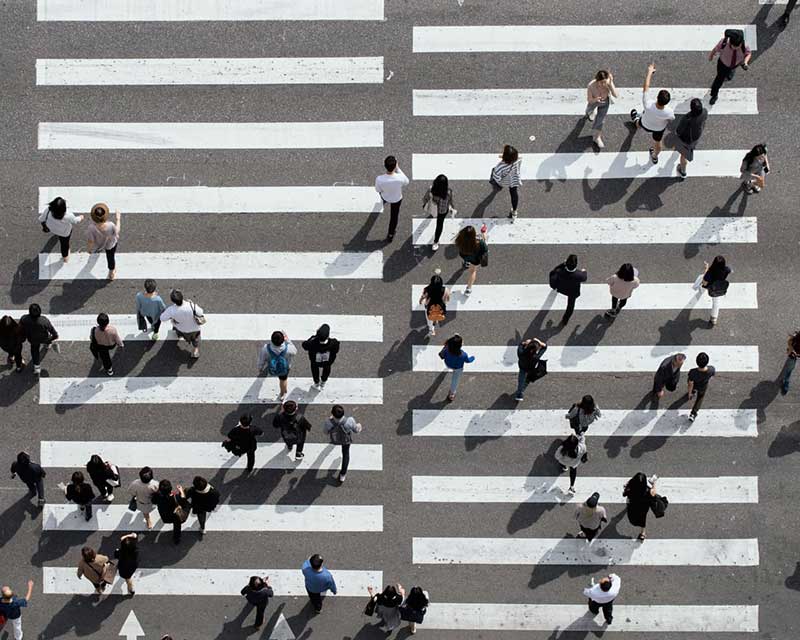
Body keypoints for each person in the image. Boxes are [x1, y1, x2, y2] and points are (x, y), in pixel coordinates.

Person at [629, 63, 675, 164]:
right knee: (658, 144)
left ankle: (635, 121)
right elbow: (671, 120)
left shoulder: (648, 104)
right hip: (658, 130)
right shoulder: (669, 112)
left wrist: (649, 72)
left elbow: (646, 87)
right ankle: (654, 156)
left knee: (639, 123)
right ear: (667, 102)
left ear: (657, 97)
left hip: (645, 123)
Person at [708, 30, 751, 105]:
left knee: (729, 76)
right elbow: (715, 49)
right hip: (723, 64)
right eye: (733, 46)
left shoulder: (744, 46)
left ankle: (727, 76)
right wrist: (711, 56)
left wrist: (745, 62)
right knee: (719, 80)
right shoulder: (724, 43)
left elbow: (748, 53)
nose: (735, 48)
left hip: (735, 64)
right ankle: (714, 94)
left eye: (737, 46)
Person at [323, 405, 362, 484]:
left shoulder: (328, 422)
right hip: (345, 441)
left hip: (335, 439)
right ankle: (342, 475)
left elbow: (325, 432)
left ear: (332, 414)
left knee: (344, 452)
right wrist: (359, 426)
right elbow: (356, 430)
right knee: (346, 454)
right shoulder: (349, 421)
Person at [38, 196, 84, 262]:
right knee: (64, 245)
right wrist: (81, 217)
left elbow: (41, 219)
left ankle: (64, 254)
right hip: (64, 233)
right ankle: (65, 257)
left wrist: (44, 227)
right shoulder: (68, 215)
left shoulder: (48, 210)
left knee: (61, 239)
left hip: (53, 228)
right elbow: (75, 221)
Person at [159, 289, 203, 359]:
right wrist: (192, 303)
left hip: (181, 328)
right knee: (195, 338)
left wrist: (172, 318)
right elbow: (200, 312)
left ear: (173, 300)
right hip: (194, 328)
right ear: (182, 296)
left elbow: (162, 318)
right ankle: (195, 350)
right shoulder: (191, 305)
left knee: (178, 331)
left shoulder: (171, 310)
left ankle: (179, 336)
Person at [374, 155, 409, 242]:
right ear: (395, 165)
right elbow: (406, 182)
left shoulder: (379, 179)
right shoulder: (400, 177)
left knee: (383, 197)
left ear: (385, 165)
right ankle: (390, 234)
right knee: (394, 216)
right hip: (397, 199)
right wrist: (398, 169)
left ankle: (383, 202)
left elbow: (378, 190)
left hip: (385, 197)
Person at [19, 303, 59, 375]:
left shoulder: (24, 319)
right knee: (48, 339)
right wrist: (54, 336)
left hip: (32, 339)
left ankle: (37, 368)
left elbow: (20, 328)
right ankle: (47, 345)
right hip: (44, 338)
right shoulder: (44, 320)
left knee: (35, 352)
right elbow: (51, 330)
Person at [258, 330, 297, 401]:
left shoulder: (265, 348)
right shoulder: (289, 348)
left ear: (271, 340)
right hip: (285, 368)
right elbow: (295, 352)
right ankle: (283, 393)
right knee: (283, 380)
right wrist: (288, 340)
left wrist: (260, 368)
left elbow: (262, 359)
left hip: (273, 366)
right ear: (283, 340)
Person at [85, 203, 121, 280]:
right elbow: (117, 231)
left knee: (100, 248)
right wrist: (118, 219)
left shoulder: (91, 228)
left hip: (99, 244)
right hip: (110, 244)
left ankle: (100, 250)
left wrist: (89, 250)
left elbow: (90, 241)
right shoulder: (111, 225)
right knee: (110, 258)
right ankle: (111, 274)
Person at [549, 254, 587, 326]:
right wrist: (584, 271)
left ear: (566, 263)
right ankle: (565, 320)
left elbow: (553, 271)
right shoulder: (579, 275)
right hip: (573, 292)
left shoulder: (560, 271)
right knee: (570, 306)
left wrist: (562, 264)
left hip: (562, 289)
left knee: (570, 306)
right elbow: (584, 278)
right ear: (575, 265)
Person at [674, 98, 707, 179]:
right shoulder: (704, 112)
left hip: (686, 140)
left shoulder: (687, 119)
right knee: (688, 150)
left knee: (683, 156)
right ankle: (682, 170)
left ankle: (683, 172)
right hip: (696, 137)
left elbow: (678, 131)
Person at [693, 255, 731, 327]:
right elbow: (730, 271)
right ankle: (713, 318)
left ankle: (698, 289)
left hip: (710, 287)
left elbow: (704, 282)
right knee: (716, 303)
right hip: (719, 287)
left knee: (701, 278)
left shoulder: (710, 272)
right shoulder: (726, 269)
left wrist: (706, 268)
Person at [585, 70, 618, 150]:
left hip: (604, 103)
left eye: (605, 82)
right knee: (588, 112)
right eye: (601, 82)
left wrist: (610, 84)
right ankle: (590, 113)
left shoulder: (608, 83)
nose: (603, 84)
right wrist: (595, 99)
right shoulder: (591, 86)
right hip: (594, 102)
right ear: (597, 80)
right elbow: (589, 100)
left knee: (601, 120)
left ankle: (597, 138)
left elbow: (616, 95)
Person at [422, 174, 456, 250]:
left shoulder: (431, 190)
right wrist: (452, 208)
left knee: (434, 214)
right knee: (439, 225)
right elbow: (450, 202)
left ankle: (432, 215)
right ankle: (436, 241)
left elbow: (425, 199)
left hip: (433, 209)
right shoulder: (448, 192)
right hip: (443, 211)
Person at [301, 324, 340, 390]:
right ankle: (323, 382)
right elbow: (336, 351)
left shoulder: (312, 343)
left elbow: (304, 345)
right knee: (327, 369)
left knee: (314, 370)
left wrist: (314, 337)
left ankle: (316, 383)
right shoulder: (334, 343)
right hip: (328, 361)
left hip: (315, 361)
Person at [438, 334, 475, 401]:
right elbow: (468, 360)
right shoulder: (463, 355)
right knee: (455, 380)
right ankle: (451, 394)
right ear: (459, 346)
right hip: (458, 368)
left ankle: (447, 369)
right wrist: (472, 358)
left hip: (448, 363)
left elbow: (442, 355)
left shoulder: (447, 349)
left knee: (449, 367)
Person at [152, 479, 189, 544]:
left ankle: (176, 539)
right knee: (177, 526)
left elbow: (153, 501)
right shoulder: (176, 497)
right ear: (170, 489)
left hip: (165, 517)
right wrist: (181, 491)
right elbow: (183, 500)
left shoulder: (157, 495)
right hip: (175, 517)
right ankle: (176, 539)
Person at [490, 144, 522, 220]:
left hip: (504, 182)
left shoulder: (500, 166)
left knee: (493, 172)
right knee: (514, 193)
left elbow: (497, 177)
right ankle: (514, 211)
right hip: (514, 179)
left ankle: (497, 188)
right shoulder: (518, 160)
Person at [455, 224, 488, 294]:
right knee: (472, 271)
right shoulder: (479, 242)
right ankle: (468, 289)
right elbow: (485, 250)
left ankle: (466, 263)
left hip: (464, 255)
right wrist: (483, 238)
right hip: (475, 259)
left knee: (466, 260)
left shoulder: (460, 239)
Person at [623, 472, 656, 540]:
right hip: (643, 508)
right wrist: (653, 483)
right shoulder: (648, 491)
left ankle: (642, 532)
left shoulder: (631, 488)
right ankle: (642, 533)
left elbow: (625, 492)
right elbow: (654, 492)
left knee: (633, 515)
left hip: (632, 506)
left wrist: (628, 483)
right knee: (642, 519)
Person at [419, 270, 450, 337]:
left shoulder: (427, 289)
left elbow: (423, 297)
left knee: (429, 319)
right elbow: (448, 298)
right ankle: (436, 320)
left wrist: (420, 301)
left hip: (429, 306)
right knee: (437, 313)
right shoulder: (446, 290)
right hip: (440, 306)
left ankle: (431, 329)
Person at [687, 352, 715, 423]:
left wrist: (689, 393)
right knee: (700, 398)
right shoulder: (711, 370)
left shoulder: (692, 372)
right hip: (703, 386)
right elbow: (712, 375)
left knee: (692, 387)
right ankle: (693, 413)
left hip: (694, 385)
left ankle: (693, 392)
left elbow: (690, 383)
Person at [780, 331, 800, 395]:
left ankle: (785, 383)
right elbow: (791, 342)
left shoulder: (796, 339)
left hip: (795, 353)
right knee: (789, 368)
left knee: (789, 369)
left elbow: (791, 342)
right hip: (795, 353)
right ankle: (786, 383)